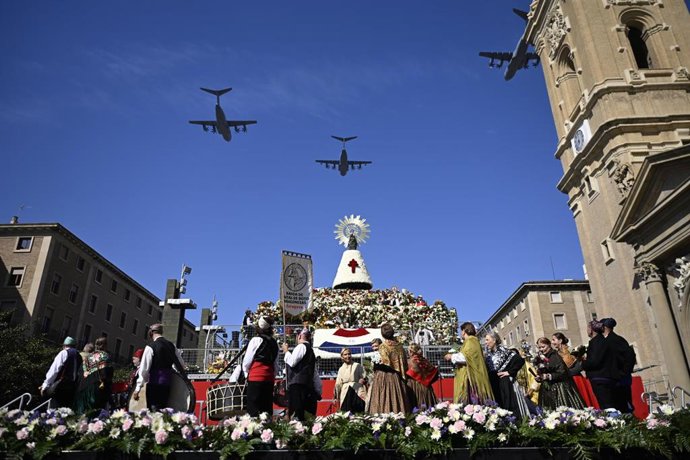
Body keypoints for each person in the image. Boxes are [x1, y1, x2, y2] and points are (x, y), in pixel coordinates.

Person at [133, 323, 186, 411]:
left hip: (154, 384)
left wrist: (138, 388)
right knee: (163, 411)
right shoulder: (171, 346)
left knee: (153, 411)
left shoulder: (150, 347)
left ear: (151, 333)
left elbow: (144, 369)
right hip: (167, 384)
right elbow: (181, 365)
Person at [444, 322, 494, 405]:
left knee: (473, 400)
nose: (461, 333)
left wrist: (451, 356)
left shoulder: (471, 340)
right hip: (468, 375)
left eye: (461, 331)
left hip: (471, 377)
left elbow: (467, 357)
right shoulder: (469, 341)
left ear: (464, 331)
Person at [483, 332, 530, 418]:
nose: (485, 342)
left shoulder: (504, 351)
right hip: (494, 385)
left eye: (487, 340)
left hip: (504, 385)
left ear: (494, 340)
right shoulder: (488, 355)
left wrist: (509, 372)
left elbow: (520, 360)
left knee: (508, 407)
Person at [367, 323, 410, 414]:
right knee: (397, 399)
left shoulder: (383, 346)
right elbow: (404, 363)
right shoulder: (399, 346)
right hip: (397, 378)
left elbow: (385, 363)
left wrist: (376, 366)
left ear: (382, 334)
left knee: (383, 398)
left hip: (383, 377)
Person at [534, 337, 585, 410]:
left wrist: (549, 376)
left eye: (543, 347)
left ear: (549, 345)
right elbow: (542, 371)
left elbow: (562, 372)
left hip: (559, 388)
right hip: (547, 390)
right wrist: (539, 377)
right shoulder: (541, 358)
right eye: (539, 347)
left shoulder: (554, 356)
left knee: (563, 410)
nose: (541, 349)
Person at [242, 317, 279, 417]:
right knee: (266, 408)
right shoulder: (274, 343)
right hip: (269, 378)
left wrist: (246, 373)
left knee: (253, 408)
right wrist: (272, 376)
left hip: (256, 376)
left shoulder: (255, 340)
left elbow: (247, 361)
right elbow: (276, 364)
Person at [282, 329, 322, 420]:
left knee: (297, 416)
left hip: (297, 387)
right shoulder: (311, 351)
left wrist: (286, 351)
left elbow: (292, 362)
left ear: (299, 336)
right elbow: (314, 373)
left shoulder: (301, 347)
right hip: (307, 387)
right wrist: (318, 389)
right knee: (306, 417)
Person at [601, 318, 636, 413]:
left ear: (604, 327)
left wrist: (623, 372)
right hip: (615, 379)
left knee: (624, 406)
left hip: (620, 380)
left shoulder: (615, 340)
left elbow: (630, 356)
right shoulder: (609, 340)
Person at [40, 336, 83, 409]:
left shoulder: (64, 353)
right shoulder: (79, 356)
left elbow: (54, 370)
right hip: (72, 388)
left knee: (52, 410)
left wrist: (45, 385)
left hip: (60, 386)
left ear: (64, 345)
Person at [582, 319, 616, 409]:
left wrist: (583, 363)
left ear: (592, 329)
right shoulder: (601, 340)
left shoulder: (596, 342)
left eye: (587, 328)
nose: (587, 330)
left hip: (600, 378)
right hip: (605, 377)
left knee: (607, 406)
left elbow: (594, 361)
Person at [76, 336, 113, 413]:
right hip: (95, 388)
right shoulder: (105, 355)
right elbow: (105, 374)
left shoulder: (88, 356)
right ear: (104, 345)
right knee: (93, 412)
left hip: (82, 387)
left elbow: (81, 371)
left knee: (81, 411)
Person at [406, 343, 438, 410]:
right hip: (427, 388)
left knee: (416, 405)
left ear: (410, 352)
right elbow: (434, 373)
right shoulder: (425, 360)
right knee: (428, 406)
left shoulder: (410, 361)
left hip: (414, 387)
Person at [334, 348, 366, 413]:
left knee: (359, 413)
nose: (347, 356)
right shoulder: (341, 369)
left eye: (349, 354)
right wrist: (336, 397)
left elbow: (364, 377)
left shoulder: (357, 365)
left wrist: (362, 380)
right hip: (345, 392)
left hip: (357, 392)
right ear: (342, 357)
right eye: (345, 354)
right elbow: (338, 384)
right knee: (346, 414)